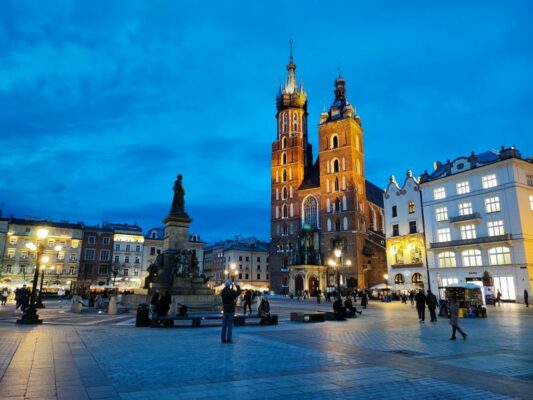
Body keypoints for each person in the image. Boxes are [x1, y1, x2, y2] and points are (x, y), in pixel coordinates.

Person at [221, 279, 241, 344]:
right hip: (230, 310)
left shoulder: (223, 291)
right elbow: (238, 293)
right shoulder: (230, 291)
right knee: (229, 325)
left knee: (224, 325)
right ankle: (229, 339)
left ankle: (223, 338)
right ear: (229, 285)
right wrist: (237, 287)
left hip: (225, 309)